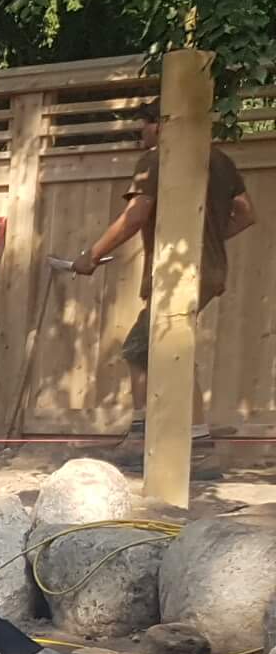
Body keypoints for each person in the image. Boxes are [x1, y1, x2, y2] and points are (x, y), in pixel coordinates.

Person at [72, 109, 256, 443]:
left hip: (177, 273)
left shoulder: (157, 158)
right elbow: (245, 214)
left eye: (141, 128)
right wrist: (209, 239)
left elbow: (136, 215)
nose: (141, 136)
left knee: (144, 349)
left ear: (159, 124)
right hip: (209, 271)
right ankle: (162, 438)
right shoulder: (220, 159)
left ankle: (181, 443)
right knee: (157, 348)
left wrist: (92, 256)